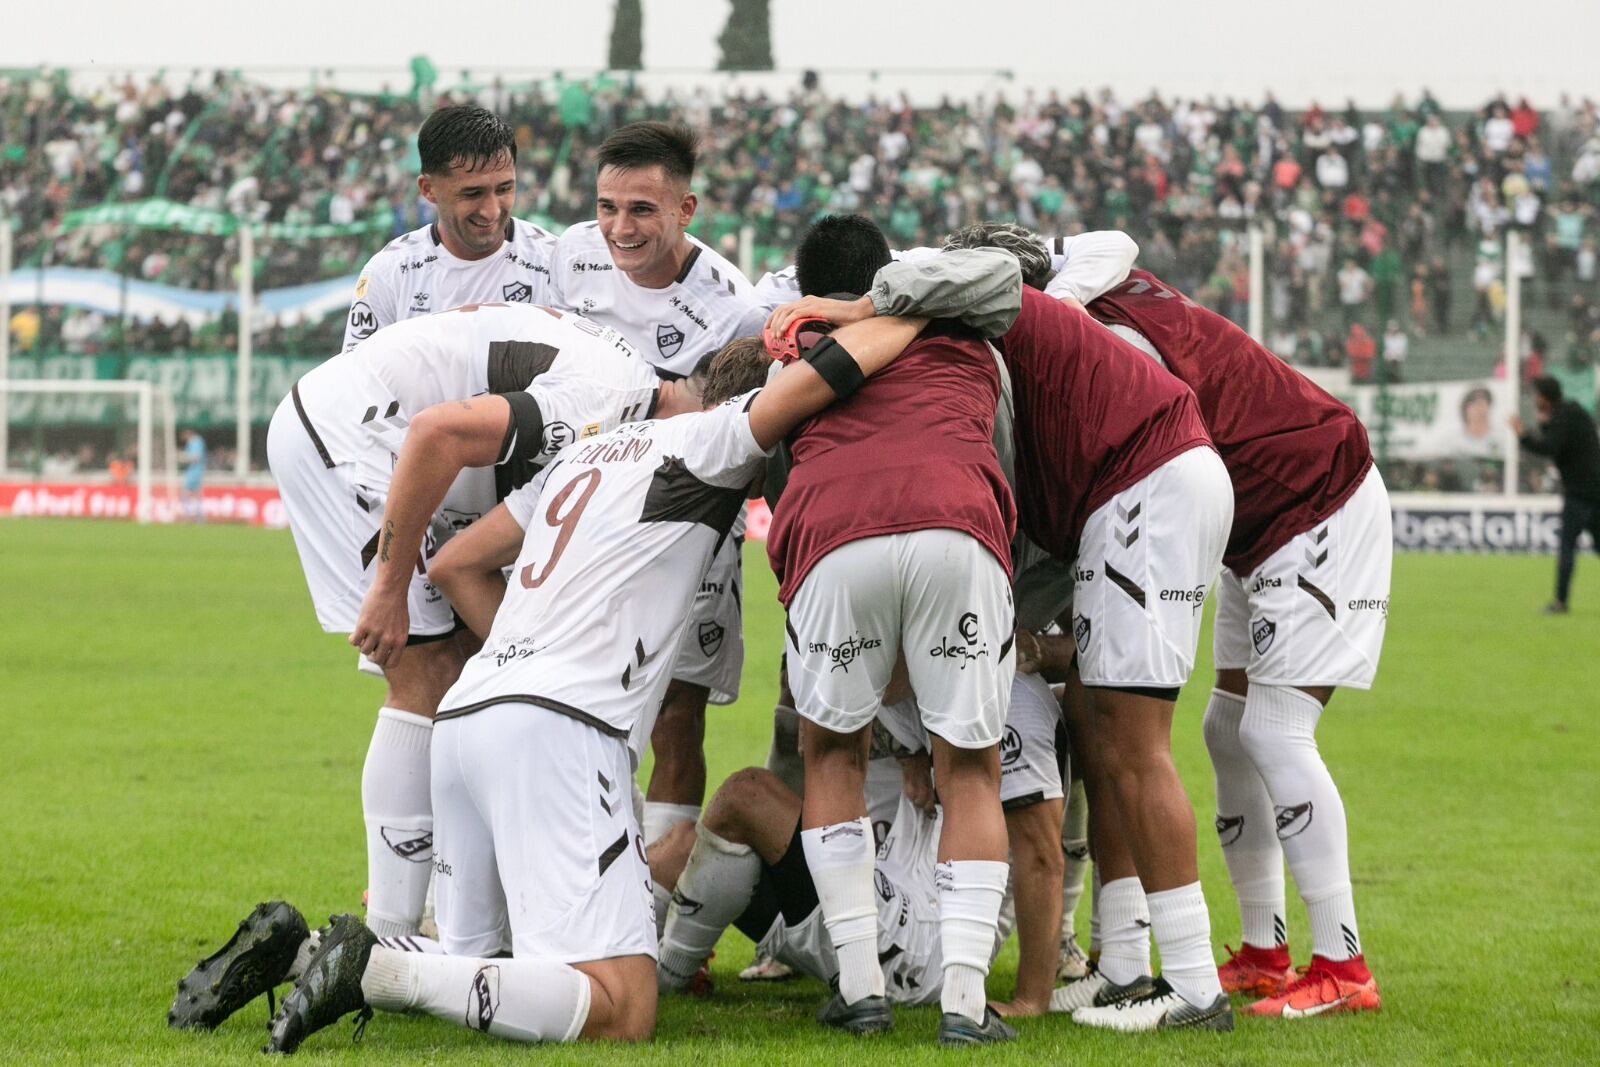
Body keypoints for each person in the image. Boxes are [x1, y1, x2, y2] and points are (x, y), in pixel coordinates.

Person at [251, 315, 932, 1053]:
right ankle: (374, 969)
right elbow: (828, 371)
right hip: (561, 728)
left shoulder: (584, 451)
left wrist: (528, 658)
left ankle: (301, 954)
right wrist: (916, 307)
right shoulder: (710, 439)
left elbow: (454, 565)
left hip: (471, 715)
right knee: (624, 1007)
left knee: (482, 968)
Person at [771, 223, 1235, 1033]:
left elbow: (785, 473)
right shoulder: (973, 343)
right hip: (1020, 516)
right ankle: (1081, 976)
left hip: (1132, 486)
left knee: (1125, 742)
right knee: (1047, 746)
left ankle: (1191, 986)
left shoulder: (954, 317)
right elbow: (1003, 488)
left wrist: (852, 309)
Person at [262, 303, 672, 945]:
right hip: (356, 438)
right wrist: (389, 588)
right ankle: (383, 943)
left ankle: (452, 922)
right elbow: (436, 433)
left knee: (470, 680)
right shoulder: (611, 400)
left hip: (369, 432)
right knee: (426, 679)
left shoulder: (623, 397)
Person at [1084, 266, 1391, 1019]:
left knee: (1276, 729)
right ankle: (1263, 952)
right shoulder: (1113, 297)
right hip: (1261, 524)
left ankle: (1344, 964)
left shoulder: (1109, 335)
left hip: (1316, 500)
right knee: (1227, 727)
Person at [768, 215, 1022, 1044]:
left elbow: (780, 467)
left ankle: (862, 987)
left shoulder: (797, 348)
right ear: (886, 271)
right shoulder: (969, 335)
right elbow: (1002, 454)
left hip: (836, 533)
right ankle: (963, 1004)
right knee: (971, 769)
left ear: (809, 288)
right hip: (956, 522)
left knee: (830, 753)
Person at [549, 121, 768, 852]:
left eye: (642, 209)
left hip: (688, 529)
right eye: (608, 207)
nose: (620, 228)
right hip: (580, 521)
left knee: (677, 715)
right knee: (573, 700)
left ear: (685, 208)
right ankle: (587, 874)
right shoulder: (570, 255)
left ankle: (659, 903)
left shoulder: (733, 308)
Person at [651, 669, 1068, 1032]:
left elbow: (1042, 858)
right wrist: (908, 754)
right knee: (683, 845)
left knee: (748, 795)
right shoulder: (938, 672)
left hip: (925, 949)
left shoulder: (1013, 703)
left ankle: (666, 978)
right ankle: (630, 957)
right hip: (882, 894)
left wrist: (1031, 999)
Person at [340, 105, 555, 354]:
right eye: (472, 193)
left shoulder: (555, 264)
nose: (492, 211)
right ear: (428, 189)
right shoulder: (389, 273)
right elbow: (359, 374)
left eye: (504, 189)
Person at [1513, 377, 1600, 613]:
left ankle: (1561, 603)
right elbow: (1561, 443)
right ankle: (1561, 602)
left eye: (1536, 396)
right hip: (1594, 490)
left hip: (1580, 493)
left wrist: (1522, 435)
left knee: (1567, 547)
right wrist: (1543, 424)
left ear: (1544, 397)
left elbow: (1549, 447)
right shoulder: (1572, 413)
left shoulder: (1563, 416)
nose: (1534, 400)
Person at [178, 429, 206, 521]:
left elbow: (196, 457)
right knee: (196, 495)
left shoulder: (195, 442)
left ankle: (189, 516)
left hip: (194, 472)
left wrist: (182, 457)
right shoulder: (195, 442)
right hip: (195, 471)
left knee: (185, 494)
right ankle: (198, 517)